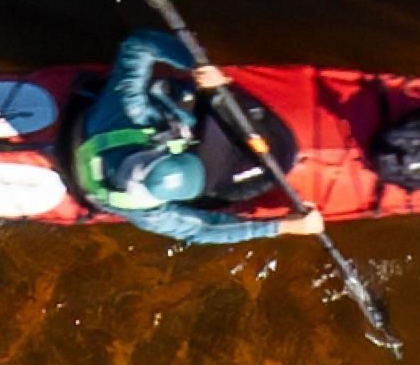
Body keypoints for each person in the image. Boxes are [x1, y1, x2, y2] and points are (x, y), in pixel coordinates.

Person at [68, 30, 325, 245]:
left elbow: (140, 44)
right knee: (274, 160)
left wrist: (194, 64)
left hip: (109, 131)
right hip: (194, 172)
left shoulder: (125, 112)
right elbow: (202, 230)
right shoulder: (146, 212)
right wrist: (283, 227)